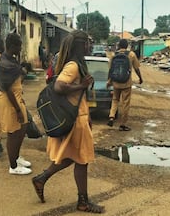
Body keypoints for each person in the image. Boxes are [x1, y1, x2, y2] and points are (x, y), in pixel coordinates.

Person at [32, 30, 105, 214]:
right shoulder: (73, 66)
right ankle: (83, 202)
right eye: (87, 42)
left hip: (79, 118)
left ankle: (42, 178)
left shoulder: (76, 64)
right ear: (80, 45)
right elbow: (59, 86)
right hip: (75, 121)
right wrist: (82, 85)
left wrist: (87, 115)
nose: (90, 45)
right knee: (81, 161)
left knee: (72, 157)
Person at [0, 33, 32, 175]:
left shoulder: (11, 60)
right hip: (9, 101)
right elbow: (7, 89)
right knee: (13, 133)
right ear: (13, 46)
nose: (21, 49)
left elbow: (17, 80)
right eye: (19, 46)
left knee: (23, 128)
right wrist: (17, 108)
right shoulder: (5, 64)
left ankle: (16, 157)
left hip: (17, 98)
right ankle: (13, 166)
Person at [107, 39, 143, 131]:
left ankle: (111, 116)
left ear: (119, 46)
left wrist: (109, 81)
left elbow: (111, 70)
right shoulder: (131, 54)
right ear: (127, 46)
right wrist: (140, 78)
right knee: (125, 103)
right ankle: (123, 124)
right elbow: (136, 68)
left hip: (116, 82)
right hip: (126, 83)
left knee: (115, 100)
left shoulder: (114, 55)